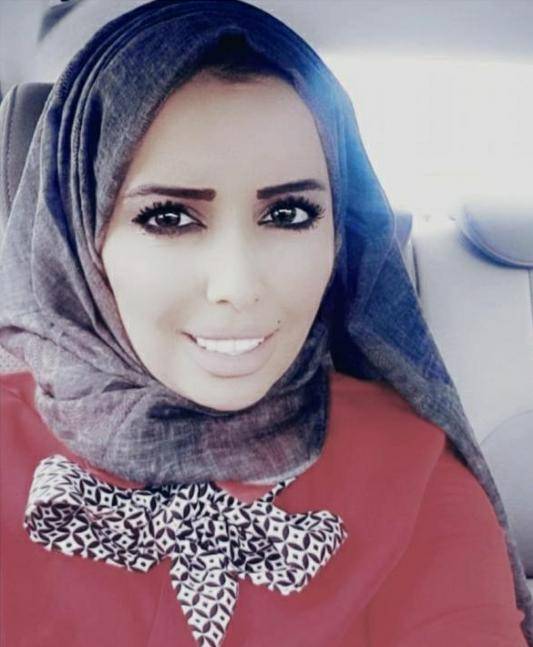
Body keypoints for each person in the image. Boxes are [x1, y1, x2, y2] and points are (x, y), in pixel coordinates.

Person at [0, 1, 531, 645]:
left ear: (340, 232)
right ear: (77, 235)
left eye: (288, 215)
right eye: (168, 217)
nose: (238, 285)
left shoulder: (414, 471)